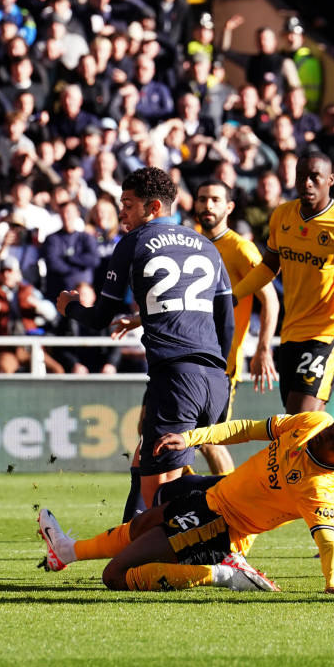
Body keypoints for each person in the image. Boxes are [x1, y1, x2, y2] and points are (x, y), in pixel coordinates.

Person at [37, 412, 334, 594]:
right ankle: (67, 552)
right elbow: (246, 428)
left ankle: (222, 574)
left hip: (223, 529)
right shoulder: (313, 423)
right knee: (143, 523)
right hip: (212, 498)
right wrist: (191, 437)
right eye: (332, 428)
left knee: (114, 576)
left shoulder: (318, 488)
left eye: (333, 440)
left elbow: (327, 540)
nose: (325, 434)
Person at [233, 150, 334, 551]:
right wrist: (232, 295)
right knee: (303, 426)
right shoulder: (283, 216)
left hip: (328, 334)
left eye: (315, 176)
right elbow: (269, 267)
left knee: (302, 424)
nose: (307, 183)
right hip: (293, 334)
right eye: (302, 175)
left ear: (332, 179)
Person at [55, 167, 234, 510]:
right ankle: (129, 545)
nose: (122, 210)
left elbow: (99, 318)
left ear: (152, 207)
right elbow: (225, 321)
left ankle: (234, 507)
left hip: (176, 378)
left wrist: (70, 307)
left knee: (160, 495)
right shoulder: (207, 246)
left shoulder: (132, 243)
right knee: (146, 463)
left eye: (128, 203)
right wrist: (221, 373)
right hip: (213, 376)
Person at [112, 180, 280, 475]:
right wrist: (138, 319)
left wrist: (263, 347)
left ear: (229, 207)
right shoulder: (188, 241)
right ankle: (182, 498)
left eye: (215, 199)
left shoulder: (240, 247)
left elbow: (270, 299)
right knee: (151, 429)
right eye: (202, 199)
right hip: (179, 358)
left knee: (208, 438)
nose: (207, 205)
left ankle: (227, 504)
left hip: (217, 361)